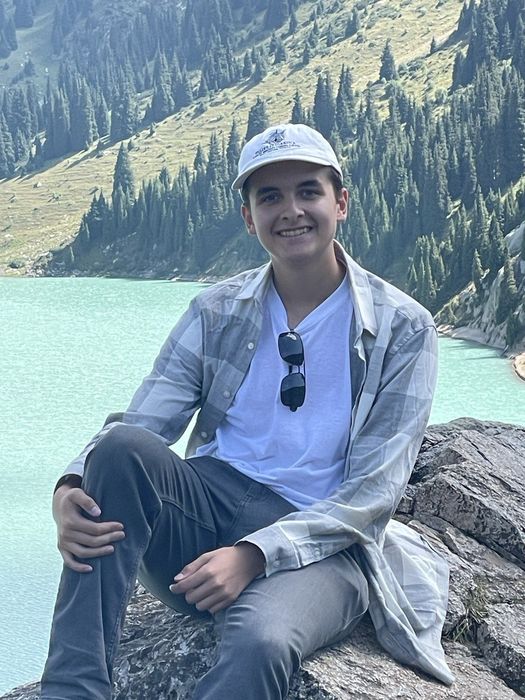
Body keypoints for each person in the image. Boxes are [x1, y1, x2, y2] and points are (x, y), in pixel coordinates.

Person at [41, 123, 454, 700]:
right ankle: (72, 691)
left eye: (308, 191)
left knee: (262, 640)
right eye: (270, 197)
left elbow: (371, 495)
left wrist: (254, 555)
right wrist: (70, 486)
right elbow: (142, 425)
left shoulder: (403, 328)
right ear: (248, 217)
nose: (291, 211)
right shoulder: (217, 310)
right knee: (117, 451)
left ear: (340, 202)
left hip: (325, 542)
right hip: (207, 509)